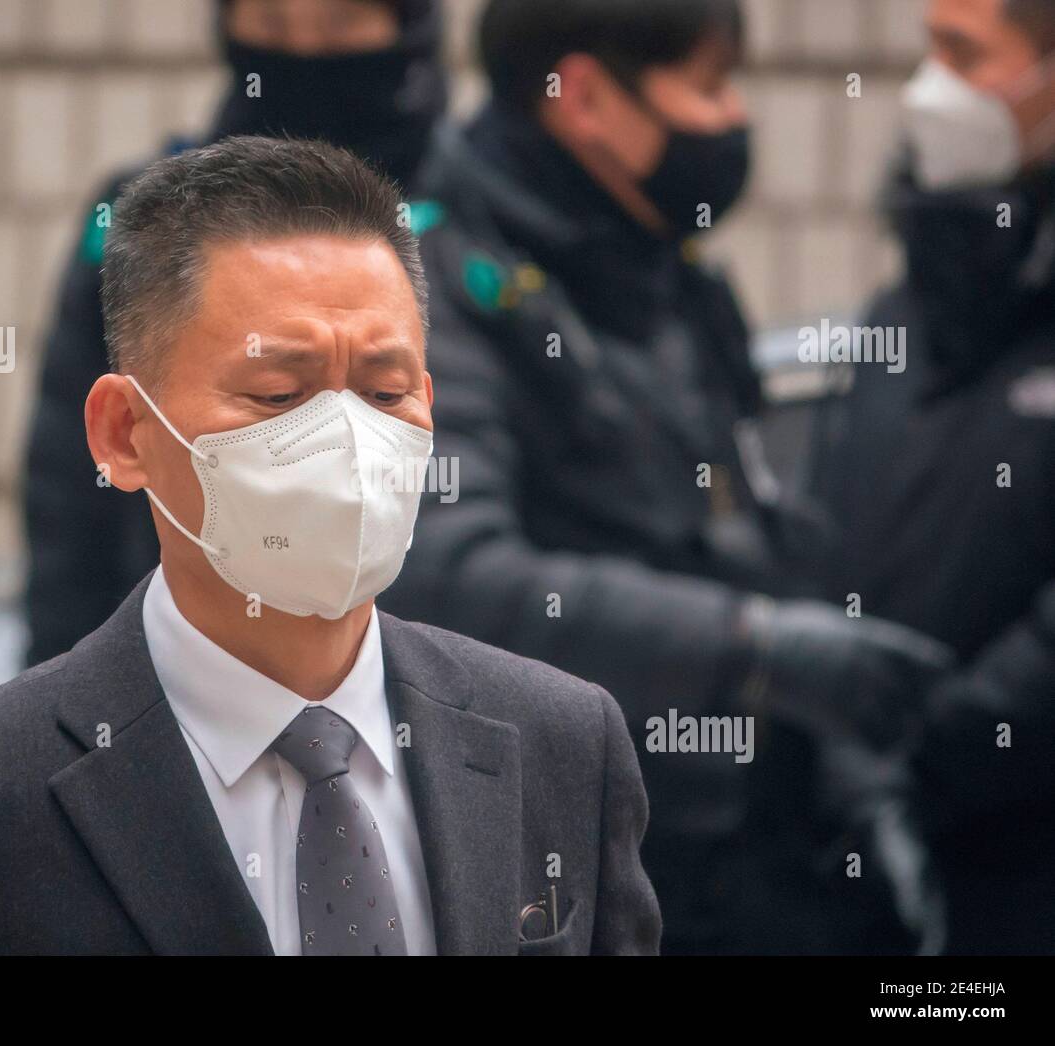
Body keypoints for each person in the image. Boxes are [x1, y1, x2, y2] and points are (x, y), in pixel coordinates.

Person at [0, 137, 661, 956]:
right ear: (125, 432)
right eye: (278, 393)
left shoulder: (563, 746)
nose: (346, 439)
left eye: (385, 392)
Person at [376, 0, 954, 954]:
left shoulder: (661, 266)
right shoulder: (436, 281)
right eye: (707, 84)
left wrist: (843, 749)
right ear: (587, 98)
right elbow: (449, 574)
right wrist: (752, 649)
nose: (733, 119)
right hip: (574, 860)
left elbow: (746, 516)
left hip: (747, 845)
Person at [22, 0, 448, 666]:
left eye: (340, 26)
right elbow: (69, 501)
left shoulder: (484, 209)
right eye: (273, 27)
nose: (304, 55)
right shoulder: (143, 218)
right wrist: (67, 694)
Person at [812, 0, 1055, 955]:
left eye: (964, 53)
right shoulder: (909, 301)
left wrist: (923, 752)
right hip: (875, 862)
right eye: (926, 50)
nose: (930, 89)